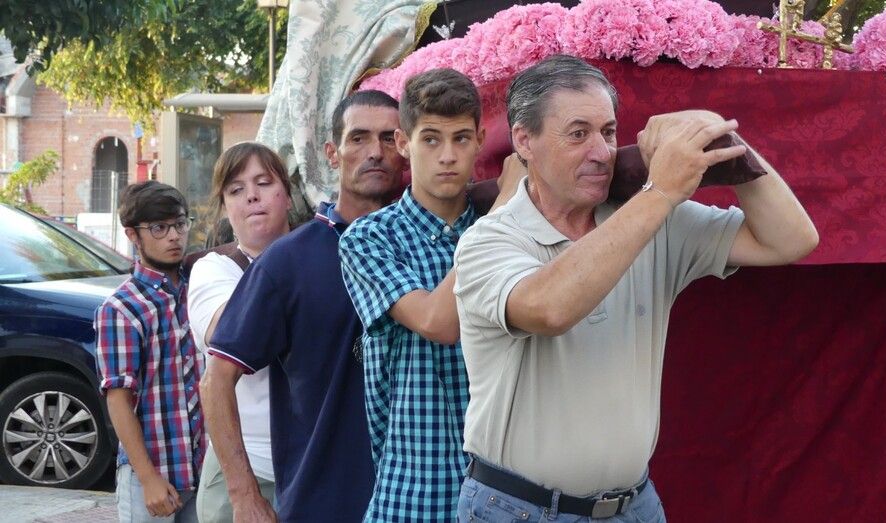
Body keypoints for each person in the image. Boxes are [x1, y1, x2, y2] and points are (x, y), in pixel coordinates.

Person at [453, 55, 819, 521]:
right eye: (578, 133)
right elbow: (549, 309)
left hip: (635, 506)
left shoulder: (652, 218)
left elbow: (791, 240)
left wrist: (720, 138)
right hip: (521, 510)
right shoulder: (488, 241)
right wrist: (661, 192)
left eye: (608, 132)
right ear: (524, 140)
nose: (602, 152)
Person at [198, 90, 407, 522]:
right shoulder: (288, 262)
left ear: (406, 147)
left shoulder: (428, 247)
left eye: (389, 138)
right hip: (322, 502)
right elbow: (216, 379)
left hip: (417, 497)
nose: (375, 151)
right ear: (332, 153)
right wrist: (244, 495)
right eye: (359, 138)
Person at [339, 68, 521, 522]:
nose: (448, 156)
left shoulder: (510, 228)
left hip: (506, 498)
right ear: (404, 143)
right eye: (431, 140)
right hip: (413, 494)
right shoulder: (368, 238)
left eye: (461, 139)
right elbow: (437, 322)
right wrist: (502, 212)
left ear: (480, 140)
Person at [188, 142, 292, 522]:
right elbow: (229, 332)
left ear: (288, 194)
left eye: (264, 183)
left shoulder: (322, 253)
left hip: (314, 465)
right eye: (236, 190)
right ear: (224, 208)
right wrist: (243, 495)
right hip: (247, 465)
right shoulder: (214, 268)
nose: (251, 196)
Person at [95, 181, 204, 522]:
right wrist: (148, 478)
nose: (174, 236)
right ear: (133, 235)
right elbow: (118, 399)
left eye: (180, 224)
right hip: (153, 475)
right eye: (159, 228)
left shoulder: (200, 289)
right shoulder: (122, 308)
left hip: (206, 471)